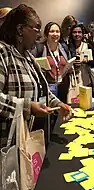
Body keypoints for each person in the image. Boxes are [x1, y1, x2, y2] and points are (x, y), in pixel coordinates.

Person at [0, 4, 71, 148]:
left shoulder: (28, 57)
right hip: (9, 142)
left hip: (28, 140)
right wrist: (27, 106)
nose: (39, 35)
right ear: (20, 29)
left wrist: (57, 104)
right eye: (36, 29)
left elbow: (42, 89)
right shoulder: (3, 53)